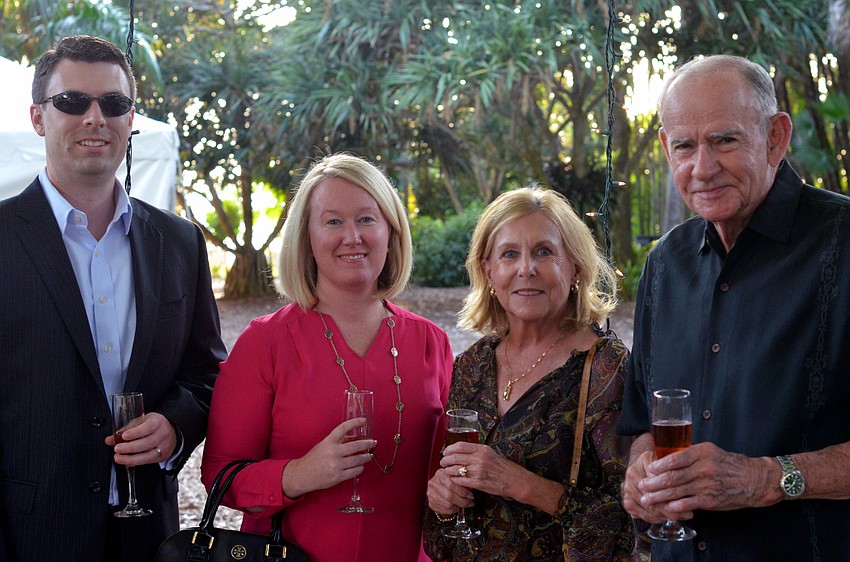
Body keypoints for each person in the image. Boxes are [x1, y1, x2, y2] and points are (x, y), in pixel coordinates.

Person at [0, 35, 225, 562]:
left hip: (147, 533)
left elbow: (207, 372)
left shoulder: (181, 242)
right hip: (27, 534)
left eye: (114, 104)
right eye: (72, 102)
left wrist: (176, 423)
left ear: (131, 119)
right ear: (38, 117)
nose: (94, 118)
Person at [617, 54, 850, 560]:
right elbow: (639, 425)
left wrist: (769, 478)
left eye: (725, 140)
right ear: (665, 148)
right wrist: (638, 477)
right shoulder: (664, 264)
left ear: (775, 137)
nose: (703, 167)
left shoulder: (844, 243)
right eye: (684, 146)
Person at [201, 152, 453, 561]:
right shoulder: (264, 342)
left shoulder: (432, 342)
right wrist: (298, 475)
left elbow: (444, 474)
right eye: (333, 221)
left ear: (391, 231)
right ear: (307, 238)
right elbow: (219, 474)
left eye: (367, 219)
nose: (352, 236)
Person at [424, 186, 644, 561]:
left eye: (544, 251)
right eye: (510, 254)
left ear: (575, 267)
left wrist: (519, 483)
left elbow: (633, 520)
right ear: (488, 272)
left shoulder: (607, 367)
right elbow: (447, 522)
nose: (526, 268)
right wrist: (442, 501)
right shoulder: (471, 366)